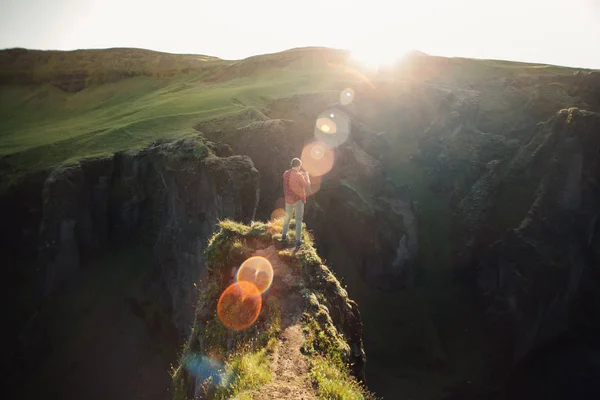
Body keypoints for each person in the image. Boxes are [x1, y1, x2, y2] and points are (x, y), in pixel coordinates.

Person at [281, 157, 310, 247]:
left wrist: (300, 174)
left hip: (288, 200)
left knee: (288, 217)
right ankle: (298, 240)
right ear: (298, 166)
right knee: (298, 220)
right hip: (298, 200)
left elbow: (292, 177)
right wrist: (306, 176)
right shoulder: (299, 176)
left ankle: (284, 235)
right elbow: (306, 184)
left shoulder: (286, 174)